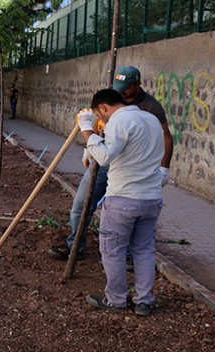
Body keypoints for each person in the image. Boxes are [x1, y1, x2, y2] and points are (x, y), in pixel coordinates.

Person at [47, 66, 173, 261]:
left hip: (130, 167)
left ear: (137, 84)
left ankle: (129, 256)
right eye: (118, 86)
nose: (121, 91)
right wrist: (90, 147)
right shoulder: (112, 99)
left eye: (126, 87)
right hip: (104, 159)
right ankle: (75, 246)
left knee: (127, 216)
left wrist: (164, 168)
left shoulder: (151, 107)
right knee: (81, 204)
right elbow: (100, 124)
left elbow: (166, 136)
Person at [77, 89, 164, 316]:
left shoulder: (120, 120)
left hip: (123, 198)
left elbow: (105, 157)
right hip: (151, 197)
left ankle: (116, 299)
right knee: (144, 250)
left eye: (100, 115)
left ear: (103, 108)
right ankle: (144, 300)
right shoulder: (151, 119)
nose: (101, 120)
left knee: (112, 250)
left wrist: (87, 131)